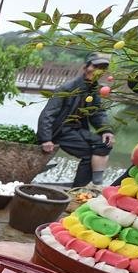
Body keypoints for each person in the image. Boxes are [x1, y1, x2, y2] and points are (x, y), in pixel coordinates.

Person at [37, 52, 114, 188]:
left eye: (102, 68)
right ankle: (78, 189)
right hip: (61, 130)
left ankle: (96, 181)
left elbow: (97, 112)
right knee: (88, 155)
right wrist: (46, 139)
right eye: (95, 66)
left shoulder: (94, 89)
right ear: (85, 68)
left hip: (78, 129)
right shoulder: (67, 88)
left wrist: (106, 130)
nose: (97, 71)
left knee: (104, 143)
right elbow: (48, 113)